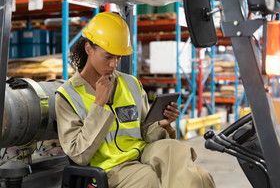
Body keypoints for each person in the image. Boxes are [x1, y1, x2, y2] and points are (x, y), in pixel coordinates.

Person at [55, 12, 215, 188]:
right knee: (158, 180)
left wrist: (162, 124)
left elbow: (146, 131)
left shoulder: (130, 84)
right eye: (108, 56)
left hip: (143, 153)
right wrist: (99, 105)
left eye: (118, 57)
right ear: (88, 49)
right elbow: (79, 154)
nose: (113, 64)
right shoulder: (67, 95)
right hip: (111, 168)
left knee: (184, 158)